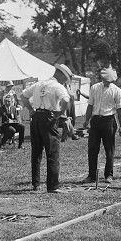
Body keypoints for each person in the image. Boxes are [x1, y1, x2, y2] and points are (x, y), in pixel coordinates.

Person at [20, 63, 73, 193]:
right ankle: (53, 186)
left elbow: (23, 96)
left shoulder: (38, 84)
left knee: (36, 152)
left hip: (36, 118)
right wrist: (60, 113)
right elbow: (66, 100)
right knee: (53, 152)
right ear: (62, 76)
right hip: (49, 118)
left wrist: (31, 109)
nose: (64, 82)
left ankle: (36, 184)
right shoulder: (57, 86)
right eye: (65, 79)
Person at [82, 66, 121, 184]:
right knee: (92, 149)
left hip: (109, 121)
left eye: (110, 81)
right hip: (95, 121)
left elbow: (119, 109)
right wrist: (87, 120)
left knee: (109, 149)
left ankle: (108, 175)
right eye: (106, 80)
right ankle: (91, 176)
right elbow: (90, 105)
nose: (107, 82)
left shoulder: (116, 90)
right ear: (102, 78)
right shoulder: (94, 88)